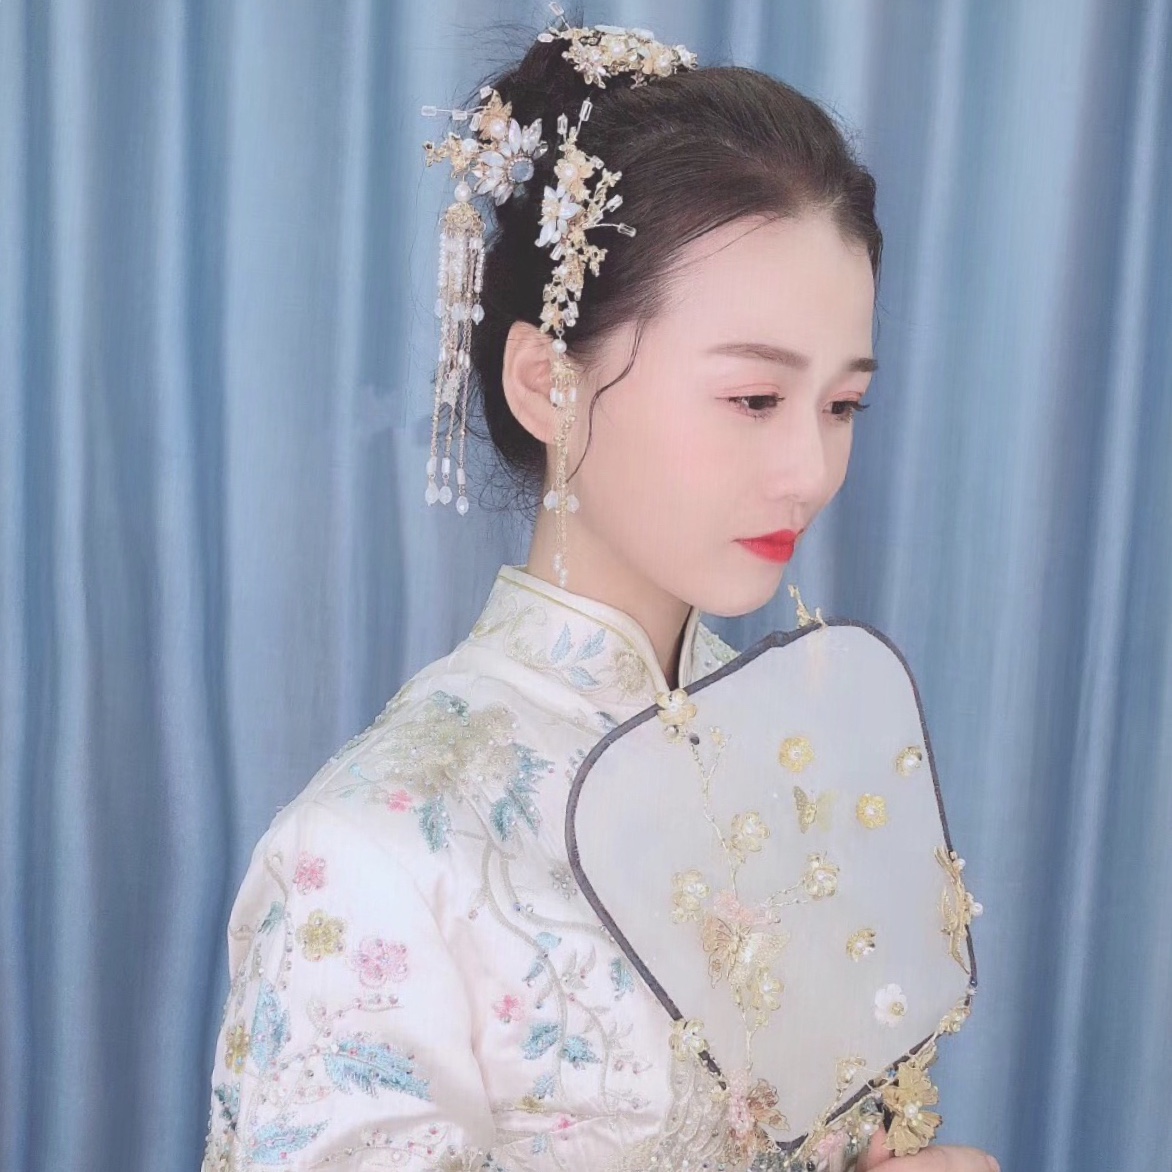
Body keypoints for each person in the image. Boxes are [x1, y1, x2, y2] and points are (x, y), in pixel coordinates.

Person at [202, 14, 998, 1172]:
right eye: (751, 399)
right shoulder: (379, 847)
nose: (808, 471)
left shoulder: (795, 753)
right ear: (547, 383)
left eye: (841, 406)